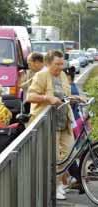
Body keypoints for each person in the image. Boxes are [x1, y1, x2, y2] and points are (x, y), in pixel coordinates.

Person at [26, 50, 75, 200]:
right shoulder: (41, 75)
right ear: (48, 64)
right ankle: (55, 186)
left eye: (62, 64)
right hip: (49, 123)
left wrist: (74, 97)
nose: (60, 67)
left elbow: (64, 95)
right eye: (57, 64)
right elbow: (30, 96)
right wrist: (47, 98)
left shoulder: (62, 75)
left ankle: (59, 183)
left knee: (69, 153)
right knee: (53, 156)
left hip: (63, 120)